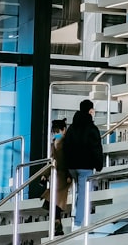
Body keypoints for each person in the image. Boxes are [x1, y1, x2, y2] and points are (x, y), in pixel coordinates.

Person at [61, 99, 103, 230]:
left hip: (72, 166)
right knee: (84, 194)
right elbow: (96, 148)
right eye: (93, 110)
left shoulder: (72, 128)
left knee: (79, 191)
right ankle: (78, 223)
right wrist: (99, 165)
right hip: (85, 167)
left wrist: (67, 167)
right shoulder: (92, 128)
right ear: (90, 111)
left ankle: (75, 211)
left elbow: (65, 147)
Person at [42, 118, 71, 236]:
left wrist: (69, 174)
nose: (56, 134)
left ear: (64, 130)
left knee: (53, 200)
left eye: (57, 131)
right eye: (54, 132)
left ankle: (57, 224)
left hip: (64, 175)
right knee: (51, 201)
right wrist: (45, 174)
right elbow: (52, 161)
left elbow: (70, 159)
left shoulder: (68, 142)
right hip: (56, 175)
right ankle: (57, 224)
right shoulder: (54, 143)